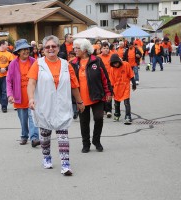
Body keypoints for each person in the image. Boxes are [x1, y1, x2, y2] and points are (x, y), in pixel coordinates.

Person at [27, 35, 84, 176]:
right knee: (45, 136)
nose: (50, 49)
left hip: (62, 106)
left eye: (53, 46)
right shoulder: (38, 64)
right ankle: (46, 157)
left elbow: (75, 85)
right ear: (43, 50)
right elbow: (31, 82)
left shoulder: (66, 64)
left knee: (63, 135)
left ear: (58, 48)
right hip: (44, 106)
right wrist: (31, 98)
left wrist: (79, 101)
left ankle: (65, 164)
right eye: (47, 47)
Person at [71, 39, 112, 153]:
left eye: (77, 48)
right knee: (84, 122)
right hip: (81, 99)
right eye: (74, 48)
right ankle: (86, 143)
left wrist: (108, 92)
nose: (75, 50)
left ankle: (96, 140)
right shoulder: (73, 63)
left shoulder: (96, 60)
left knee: (99, 118)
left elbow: (105, 78)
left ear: (84, 49)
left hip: (97, 96)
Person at [6, 39, 40, 147]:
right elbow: (8, 81)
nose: (25, 51)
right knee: (23, 119)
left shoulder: (34, 61)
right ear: (18, 52)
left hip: (32, 96)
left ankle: (34, 138)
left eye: (27, 49)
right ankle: (24, 136)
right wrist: (10, 95)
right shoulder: (13, 64)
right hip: (19, 97)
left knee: (33, 117)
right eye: (23, 49)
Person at [109, 54, 136, 124]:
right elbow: (111, 80)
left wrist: (134, 83)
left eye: (116, 63)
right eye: (113, 64)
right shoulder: (112, 69)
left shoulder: (126, 64)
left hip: (125, 86)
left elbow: (131, 74)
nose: (115, 65)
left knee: (127, 103)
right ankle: (117, 114)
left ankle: (128, 116)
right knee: (116, 103)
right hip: (117, 88)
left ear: (119, 61)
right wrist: (111, 90)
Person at [98, 42, 113, 118]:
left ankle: (108, 110)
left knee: (109, 94)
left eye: (107, 48)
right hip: (100, 79)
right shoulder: (98, 57)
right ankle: (103, 109)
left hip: (110, 79)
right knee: (102, 95)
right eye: (104, 48)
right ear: (101, 49)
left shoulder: (112, 56)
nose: (106, 49)